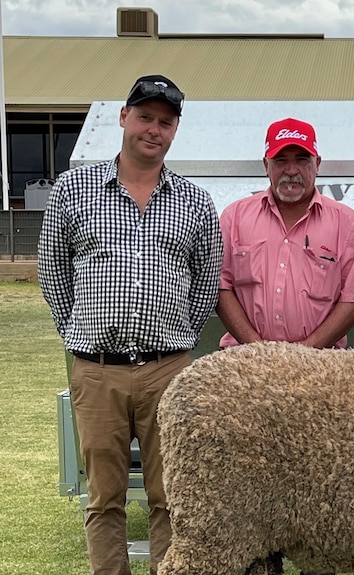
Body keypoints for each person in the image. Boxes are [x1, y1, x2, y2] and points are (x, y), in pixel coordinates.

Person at [37, 74, 222, 575]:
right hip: (97, 369)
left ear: (175, 129)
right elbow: (53, 272)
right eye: (145, 117)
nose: (153, 130)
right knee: (103, 498)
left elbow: (206, 284)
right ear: (123, 117)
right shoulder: (74, 190)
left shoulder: (195, 202)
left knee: (172, 497)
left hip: (170, 370)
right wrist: (81, 336)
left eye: (165, 122)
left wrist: (178, 338)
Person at [216, 116, 354, 351]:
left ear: (318, 164)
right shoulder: (234, 217)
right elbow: (220, 286)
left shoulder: (348, 224)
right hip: (242, 359)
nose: (291, 170)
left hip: (320, 364)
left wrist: (304, 353)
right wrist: (256, 348)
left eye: (302, 160)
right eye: (280, 160)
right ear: (266, 165)